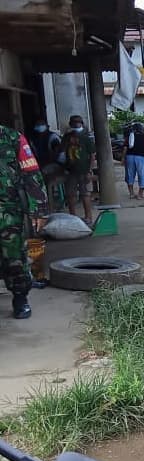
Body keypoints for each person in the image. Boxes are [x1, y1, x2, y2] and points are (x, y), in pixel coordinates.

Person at [0, 125, 49, 319]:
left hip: (8, 211)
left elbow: (31, 173)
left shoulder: (12, 137)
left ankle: (20, 297)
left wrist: (39, 209)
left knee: (13, 256)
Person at [61, 115, 94, 225]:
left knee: (85, 194)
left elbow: (92, 155)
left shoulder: (86, 137)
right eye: (74, 122)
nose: (76, 124)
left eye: (78, 122)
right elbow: (62, 153)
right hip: (70, 170)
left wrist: (90, 171)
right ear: (71, 124)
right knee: (71, 195)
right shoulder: (66, 137)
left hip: (83, 170)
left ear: (81, 123)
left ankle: (88, 217)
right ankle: (73, 217)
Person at [125, 122, 144, 200]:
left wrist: (122, 159)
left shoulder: (129, 136)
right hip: (140, 158)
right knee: (142, 175)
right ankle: (140, 194)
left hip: (129, 157)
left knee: (129, 175)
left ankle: (131, 194)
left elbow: (125, 148)